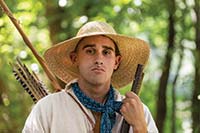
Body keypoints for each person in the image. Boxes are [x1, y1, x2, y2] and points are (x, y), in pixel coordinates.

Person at [22, 21, 158, 133]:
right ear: (75, 58)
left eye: (106, 52)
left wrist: (140, 127)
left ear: (116, 62)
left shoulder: (139, 112)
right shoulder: (48, 109)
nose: (99, 59)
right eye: (90, 51)